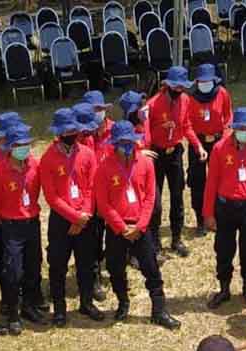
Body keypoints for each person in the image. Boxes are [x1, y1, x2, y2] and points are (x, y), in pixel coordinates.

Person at [95, 121, 181, 330]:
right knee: (115, 268)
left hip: (141, 228)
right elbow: (103, 203)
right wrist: (121, 227)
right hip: (117, 229)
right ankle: (123, 302)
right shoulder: (104, 167)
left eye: (130, 142)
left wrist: (141, 225)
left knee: (151, 268)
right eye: (122, 142)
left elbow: (151, 197)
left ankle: (159, 310)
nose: (127, 146)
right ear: (114, 144)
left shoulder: (145, 163)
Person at [203, 107, 246, 309]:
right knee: (224, 249)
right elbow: (211, 183)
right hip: (225, 207)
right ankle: (224, 289)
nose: (245, 131)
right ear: (234, 128)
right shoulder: (219, 148)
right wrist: (208, 213)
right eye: (241, 127)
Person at [41, 108, 103, 327]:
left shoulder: (87, 154)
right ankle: (59, 309)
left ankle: (86, 303)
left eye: (74, 130)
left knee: (86, 264)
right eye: (66, 130)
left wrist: (84, 214)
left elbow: (92, 186)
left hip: (85, 217)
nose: (71, 134)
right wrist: (74, 217)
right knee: (58, 265)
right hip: (61, 220)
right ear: (58, 133)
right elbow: (51, 196)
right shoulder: (48, 158)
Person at [0, 124, 43, 334]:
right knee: (13, 271)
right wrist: (10, 220)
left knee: (33, 266)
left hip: (32, 222)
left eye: (27, 145)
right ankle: (12, 313)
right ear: (10, 147)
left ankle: (29, 306)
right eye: (19, 145)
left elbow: (36, 191)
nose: (24, 148)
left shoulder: (34, 166)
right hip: (11, 226)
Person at [144, 66, 204, 256]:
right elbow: (145, 133)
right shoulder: (153, 104)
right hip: (156, 154)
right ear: (167, 85)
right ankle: (155, 243)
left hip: (175, 153)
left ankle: (176, 239)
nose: (179, 91)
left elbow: (186, 126)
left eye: (182, 87)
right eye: (176, 87)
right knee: (156, 202)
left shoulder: (185, 100)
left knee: (177, 196)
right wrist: (144, 150)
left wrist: (198, 146)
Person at [187, 64, 233, 239]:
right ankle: (200, 219)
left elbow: (229, 117)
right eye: (202, 81)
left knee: (219, 180)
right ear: (197, 81)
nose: (205, 83)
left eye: (209, 81)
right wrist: (197, 145)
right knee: (198, 181)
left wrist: (224, 140)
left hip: (218, 142)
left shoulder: (222, 93)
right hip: (198, 143)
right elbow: (187, 124)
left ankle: (217, 216)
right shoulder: (190, 97)